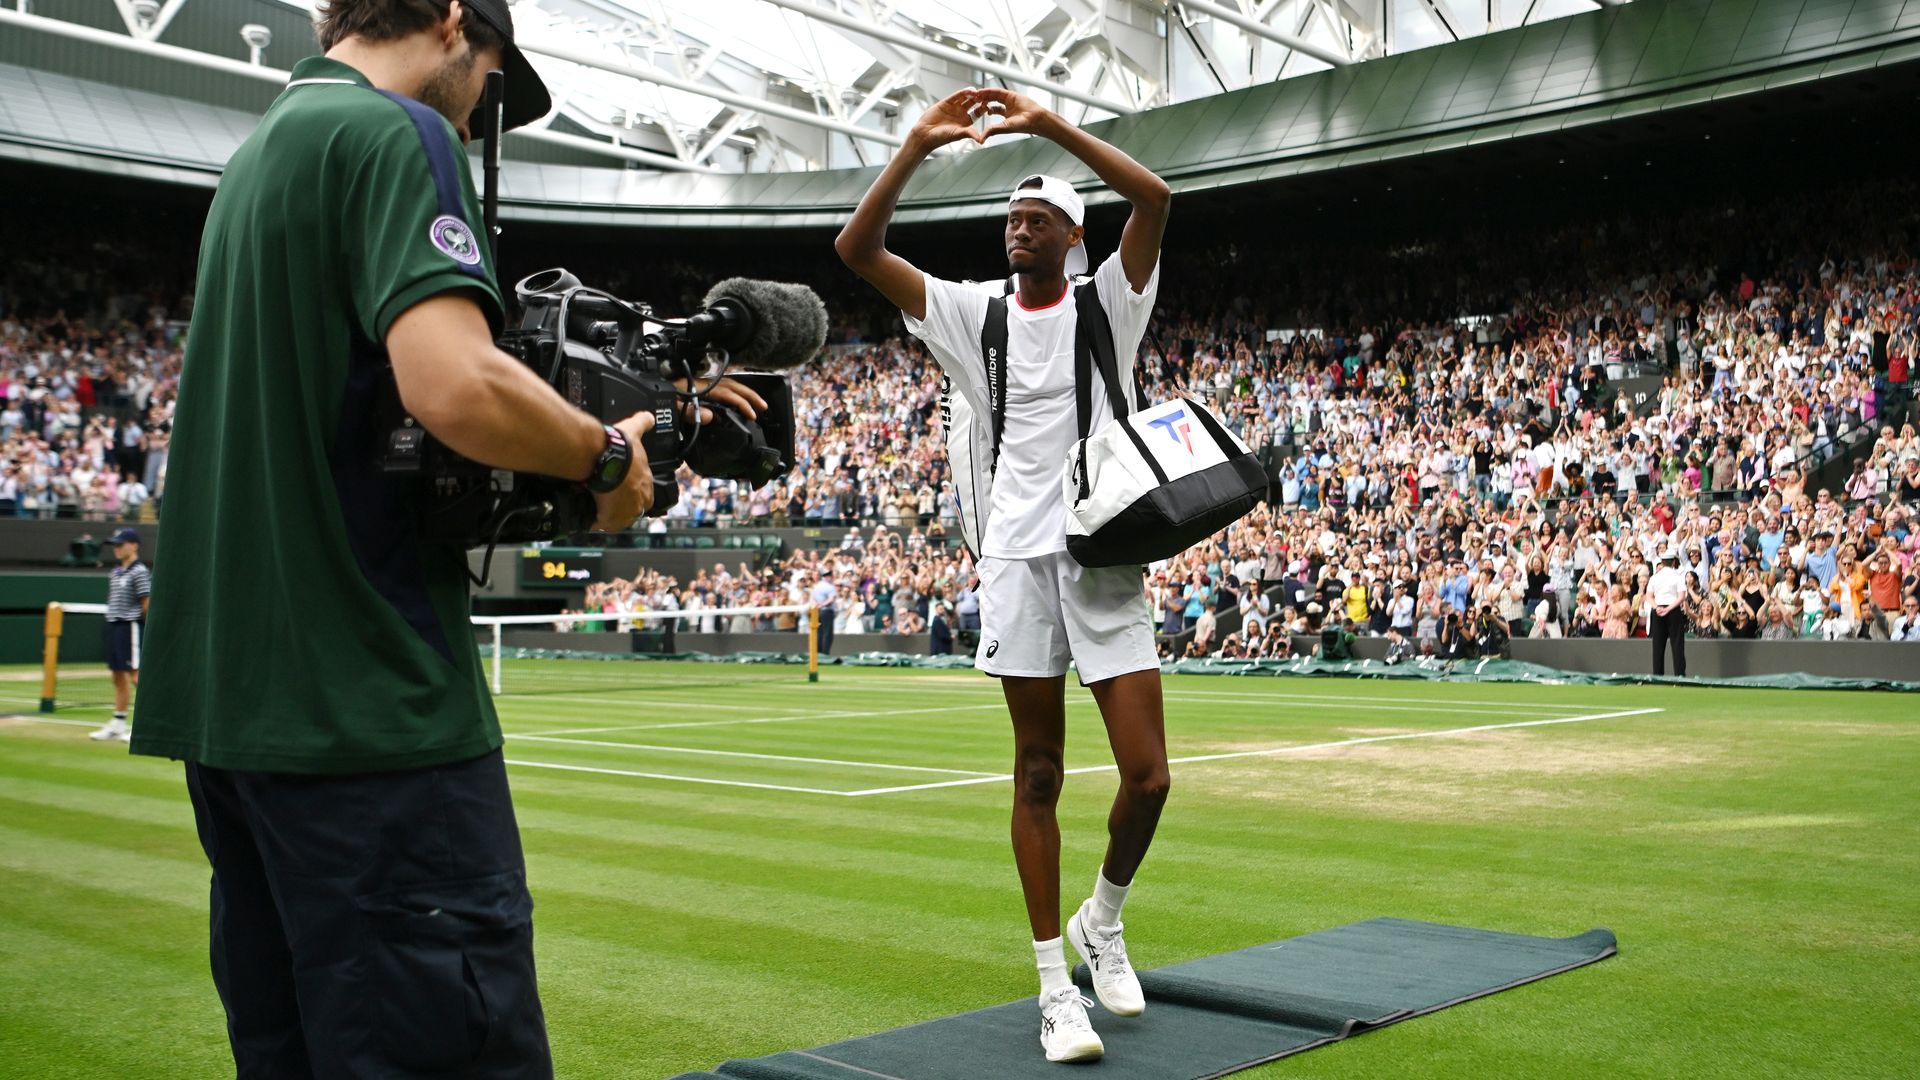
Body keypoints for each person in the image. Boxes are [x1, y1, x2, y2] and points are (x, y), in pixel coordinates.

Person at [127, 3, 763, 1075]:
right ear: (457, 21)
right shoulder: (394, 131)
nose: (475, 122)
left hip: (238, 720)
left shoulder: (260, 154)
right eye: (493, 89)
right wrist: (606, 458)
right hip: (370, 711)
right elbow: (455, 384)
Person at [838, 84, 1172, 1064]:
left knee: (1148, 776)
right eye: (1009, 221)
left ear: (1074, 237)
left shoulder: (1112, 301)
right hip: (1015, 562)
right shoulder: (968, 311)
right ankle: (1051, 988)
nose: (1016, 233)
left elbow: (1154, 201)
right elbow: (857, 253)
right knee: (1038, 773)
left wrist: (1047, 126)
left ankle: (1102, 920)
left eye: (1035, 221)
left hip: (1104, 552)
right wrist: (913, 148)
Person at [88, 526, 150, 743]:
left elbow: (146, 604)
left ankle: (148, 724)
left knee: (136, 674)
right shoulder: (114, 572)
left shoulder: (140, 571)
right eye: (114, 545)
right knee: (117, 675)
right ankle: (118, 723)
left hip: (130, 626)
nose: (116, 549)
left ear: (134, 545)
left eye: (120, 544)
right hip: (113, 626)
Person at [1647, 546, 1691, 676]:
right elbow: (1681, 597)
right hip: (1673, 611)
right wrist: (1668, 609)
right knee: (1677, 645)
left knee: (1658, 646)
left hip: (1659, 610)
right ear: (1673, 562)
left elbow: (1648, 596)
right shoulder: (1677, 577)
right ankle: (1680, 676)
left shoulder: (1654, 577)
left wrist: (1657, 607)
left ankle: (1657, 675)